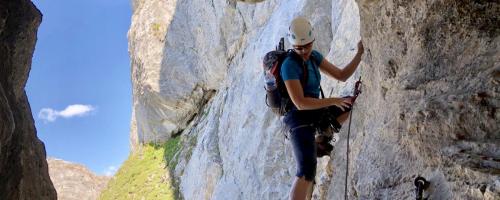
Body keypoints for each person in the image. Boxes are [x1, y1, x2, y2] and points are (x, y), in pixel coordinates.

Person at [281, 16, 364, 200]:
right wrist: (333, 101)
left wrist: (359, 54)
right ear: (292, 46)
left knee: (350, 105)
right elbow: (300, 103)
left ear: (312, 41)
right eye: (298, 48)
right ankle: (320, 137)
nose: (303, 51)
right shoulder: (289, 65)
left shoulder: (314, 57)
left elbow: (341, 75)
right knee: (306, 169)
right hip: (297, 119)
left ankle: (322, 136)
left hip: (314, 114)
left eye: (307, 46)